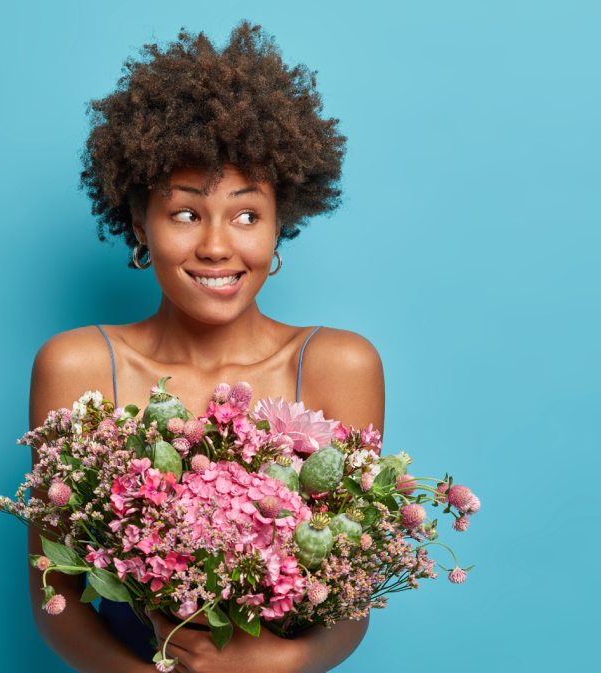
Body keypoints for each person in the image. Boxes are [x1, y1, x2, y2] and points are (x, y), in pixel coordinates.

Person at [26, 22, 383, 673]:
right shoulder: (75, 367)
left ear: (281, 224)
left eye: (246, 214)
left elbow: (350, 597)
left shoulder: (339, 365)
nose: (218, 245)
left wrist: (272, 664)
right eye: (186, 212)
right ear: (140, 222)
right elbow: (56, 595)